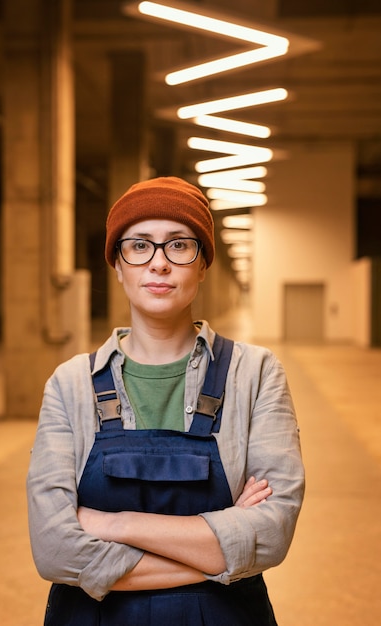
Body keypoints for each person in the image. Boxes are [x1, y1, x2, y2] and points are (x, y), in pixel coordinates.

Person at [27, 176, 305, 625]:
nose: (159, 263)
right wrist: (219, 551)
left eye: (179, 245)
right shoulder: (70, 384)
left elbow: (270, 537)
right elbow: (55, 550)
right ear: (118, 265)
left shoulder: (255, 373)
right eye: (139, 246)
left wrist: (113, 524)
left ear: (203, 264)